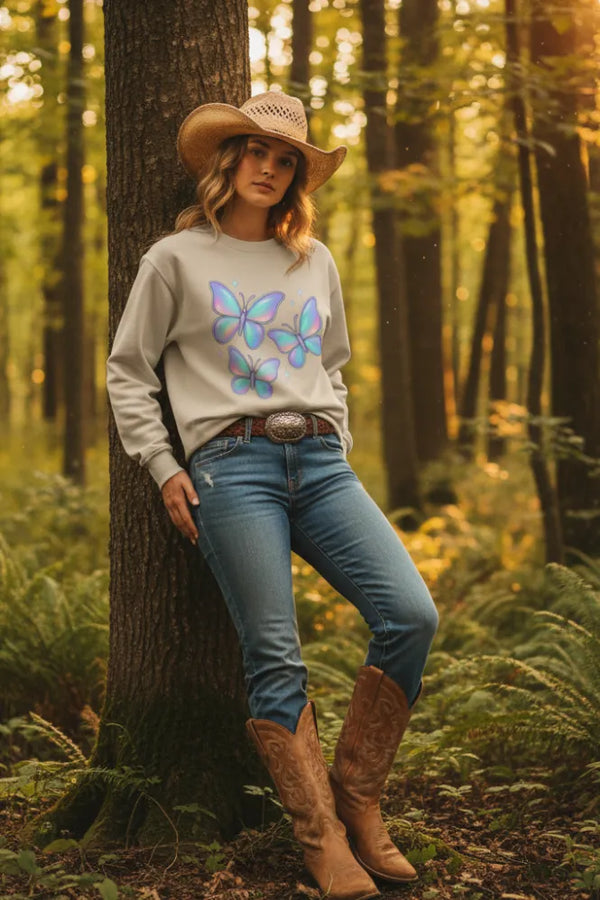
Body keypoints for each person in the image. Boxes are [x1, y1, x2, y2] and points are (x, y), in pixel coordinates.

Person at [106, 91, 438, 900]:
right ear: (228, 160)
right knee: (274, 655)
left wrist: (339, 438)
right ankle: (320, 836)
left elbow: (331, 363)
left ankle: (358, 796)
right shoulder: (174, 258)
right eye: (256, 151)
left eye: (285, 160)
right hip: (231, 468)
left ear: (296, 178)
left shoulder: (311, 260)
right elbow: (128, 371)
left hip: (321, 464)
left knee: (411, 614)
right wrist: (162, 464)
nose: (269, 167)